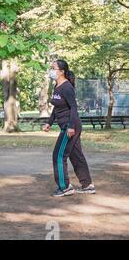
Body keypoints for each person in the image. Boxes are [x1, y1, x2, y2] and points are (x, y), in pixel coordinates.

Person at [43, 59, 95, 197]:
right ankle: (88, 185)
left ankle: (64, 187)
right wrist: (49, 122)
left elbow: (73, 107)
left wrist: (70, 127)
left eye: (53, 68)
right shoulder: (57, 86)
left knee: (59, 155)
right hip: (67, 125)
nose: (51, 71)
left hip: (70, 126)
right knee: (76, 156)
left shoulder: (67, 87)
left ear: (61, 71)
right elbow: (57, 107)